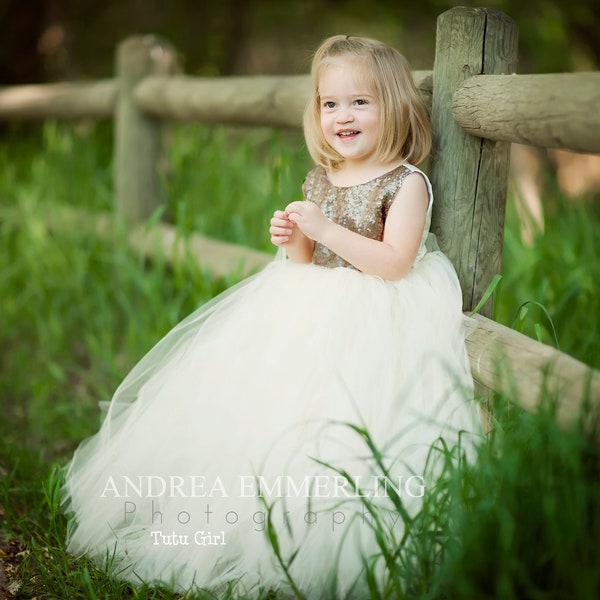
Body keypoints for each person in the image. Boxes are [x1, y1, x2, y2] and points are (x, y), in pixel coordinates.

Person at [62, 35, 482, 598]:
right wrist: (294, 241)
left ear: (396, 105)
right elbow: (308, 261)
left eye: (361, 102)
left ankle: (342, 537)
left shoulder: (406, 182)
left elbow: (394, 262)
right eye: (330, 104)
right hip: (310, 313)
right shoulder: (320, 176)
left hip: (377, 321)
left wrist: (326, 231)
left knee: (348, 428)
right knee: (278, 414)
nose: (343, 116)